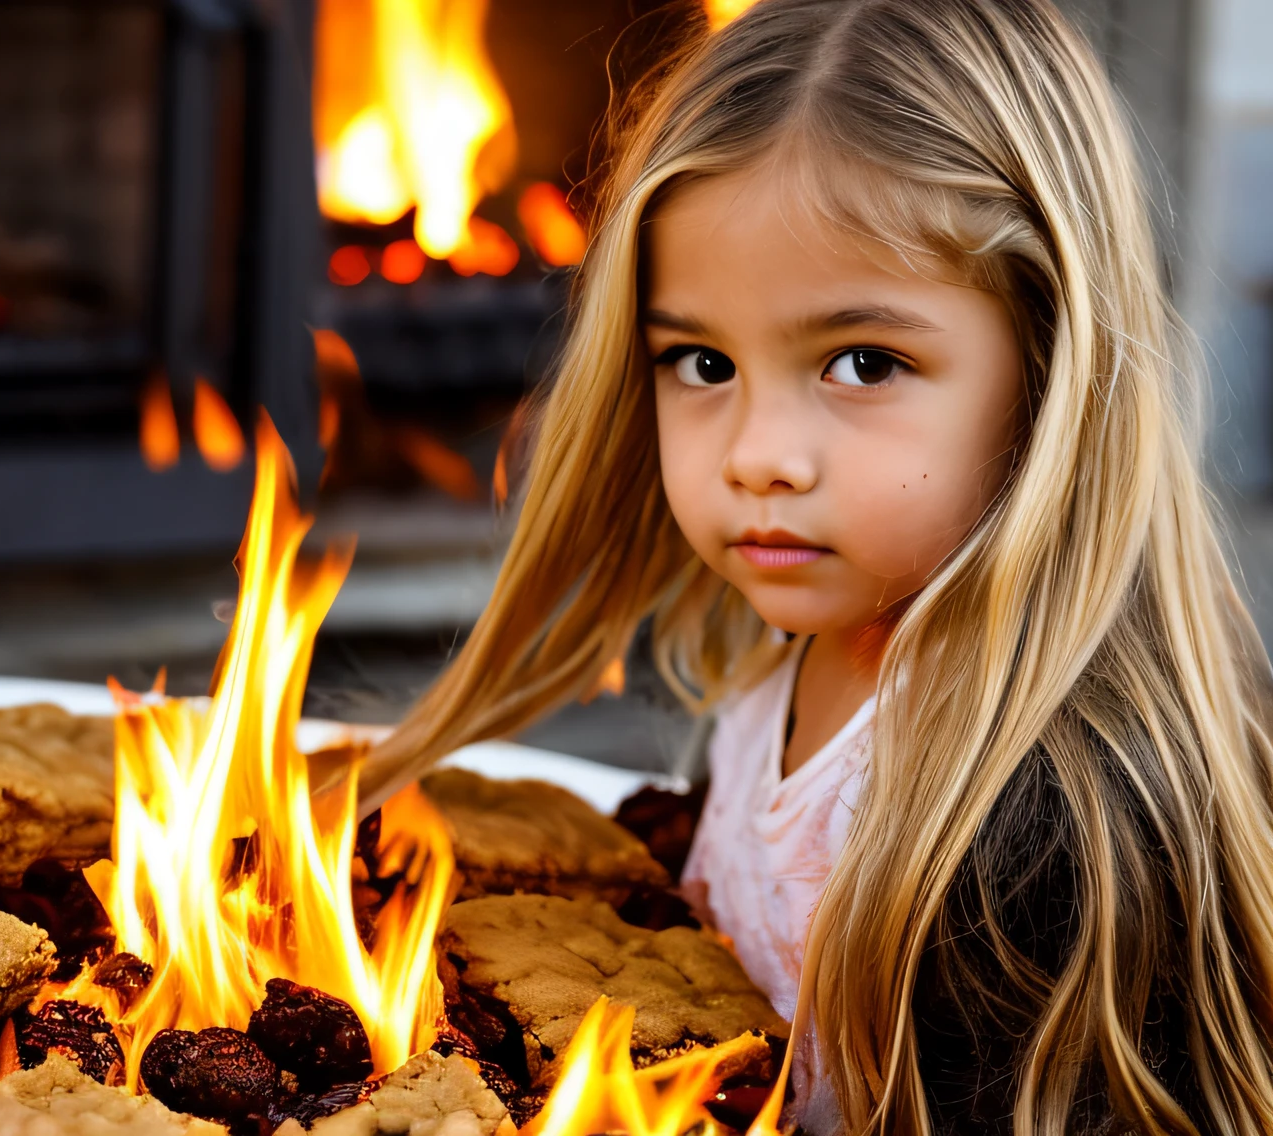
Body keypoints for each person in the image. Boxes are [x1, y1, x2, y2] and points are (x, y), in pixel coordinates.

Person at [360, 0, 1273, 1132]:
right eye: (699, 359)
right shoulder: (786, 654)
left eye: (861, 361)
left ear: (1044, 365)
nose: (755, 456)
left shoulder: (1033, 827)